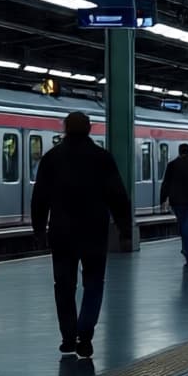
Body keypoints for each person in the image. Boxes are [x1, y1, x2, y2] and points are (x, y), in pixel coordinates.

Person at [31, 111, 133, 358]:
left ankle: (68, 336)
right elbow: (118, 196)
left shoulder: (52, 158)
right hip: (94, 231)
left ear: (65, 128)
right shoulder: (102, 158)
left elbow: (39, 198)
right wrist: (125, 229)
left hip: (61, 232)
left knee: (63, 286)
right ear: (89, 128)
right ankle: (84, 334)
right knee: (94, 283)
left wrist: (39, 229)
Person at [159, 143, 188, 266]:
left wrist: (162, 199)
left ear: (179, 152)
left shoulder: (172, 165)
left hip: (177, 202)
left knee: (183, 223)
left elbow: (166, 183)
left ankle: (187, 249)